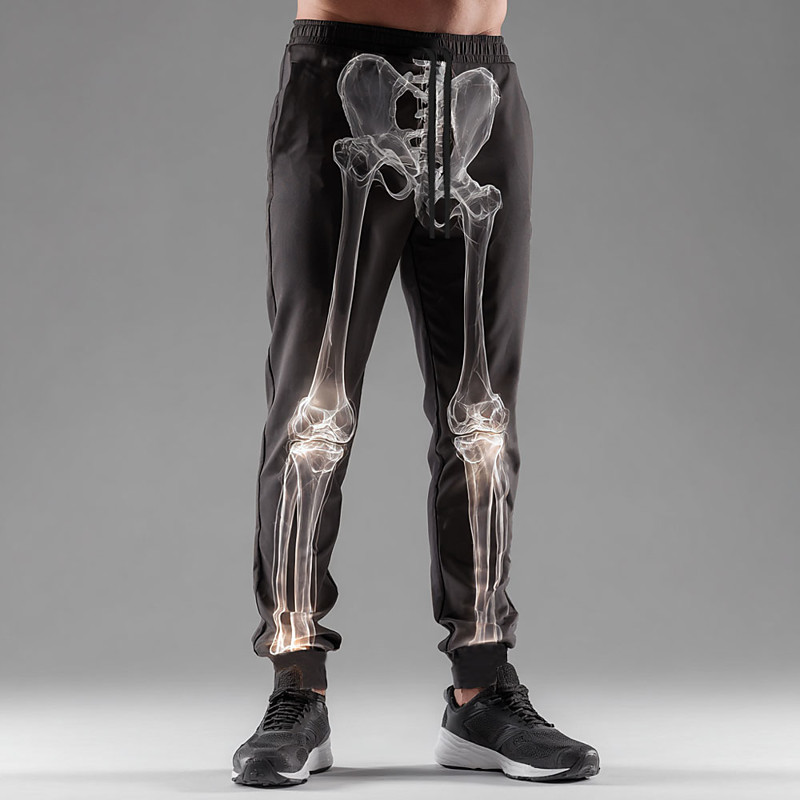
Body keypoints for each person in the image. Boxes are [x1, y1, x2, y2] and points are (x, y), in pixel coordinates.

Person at [232, 0, 599, 787]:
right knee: (311, 407)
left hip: (480, 84)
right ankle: (297, 687)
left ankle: (482, 692)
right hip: (344, 76)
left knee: (483, 417)